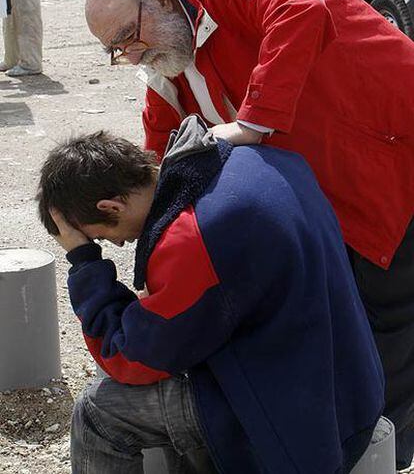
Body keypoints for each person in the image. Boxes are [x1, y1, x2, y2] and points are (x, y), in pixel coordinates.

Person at [84, 0, 414, 468]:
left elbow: (301, 9)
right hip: (328, 188)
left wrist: (253, 120)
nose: (128, 56)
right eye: (115, 50)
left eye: (127, 38)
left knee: (387, 320)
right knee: (344, 320)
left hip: (388, 153)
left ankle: (385, 455)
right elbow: (159, 150)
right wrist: (152, 238)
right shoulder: (170, 55)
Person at [37, 115, 384, 474]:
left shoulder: (194, 237)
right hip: (352, 383)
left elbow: (129, 358)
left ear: (111, 207)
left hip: (305, 422)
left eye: (100, 237)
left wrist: (83, 261)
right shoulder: (245, 159)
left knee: (100, 411)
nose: (119, 243)